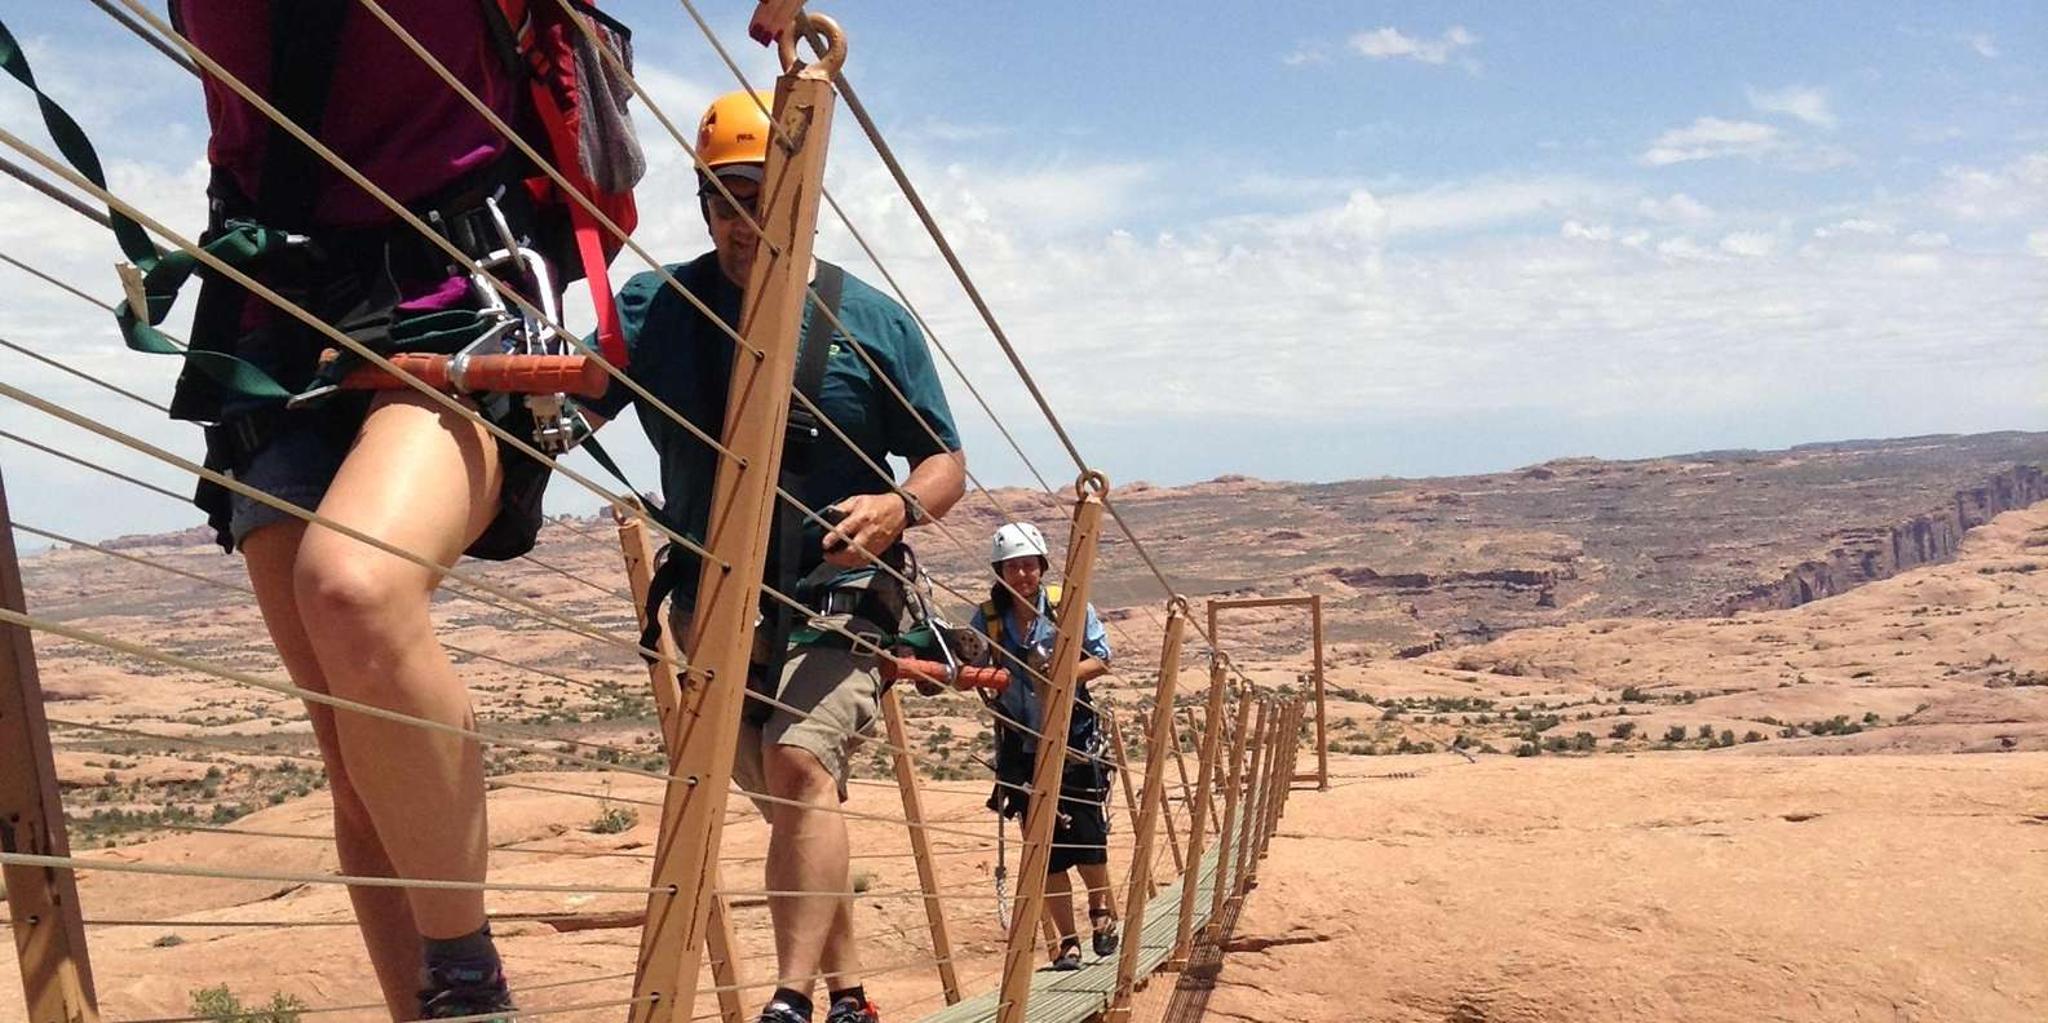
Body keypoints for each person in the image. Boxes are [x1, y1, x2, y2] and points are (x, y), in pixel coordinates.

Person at [165, 4, 799, 1018]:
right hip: (270, 315)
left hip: (454, 288)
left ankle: (471, 990)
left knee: (354, 586)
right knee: (355, 758)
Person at [580, 90, 967, 1023]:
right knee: (798, 801)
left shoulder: (871, 321)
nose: (739, 220)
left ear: (801, 200)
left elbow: (944, 463)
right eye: (722, 199)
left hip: (843, 582)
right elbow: (575, 400)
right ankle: (851, 997)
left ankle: (788, 1002)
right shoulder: (658, 307)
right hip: (713, 594)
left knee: (796, 762)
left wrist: (899, 505)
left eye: (758, 198)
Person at [972, 522, 1120, 970]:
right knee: (1046, 848)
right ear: (1000, 572)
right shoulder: (989, 619)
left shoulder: (1067, 607)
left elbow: (1102, 659)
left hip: (1074, 737)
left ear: (1041, 567)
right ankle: (1068, 942)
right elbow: (972, 660)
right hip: (1023, 744)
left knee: (1088, 838)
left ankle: (1100, 910)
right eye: (1012, 567)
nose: (1021, 575)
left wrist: (1059, 676)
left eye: (1028, 566)